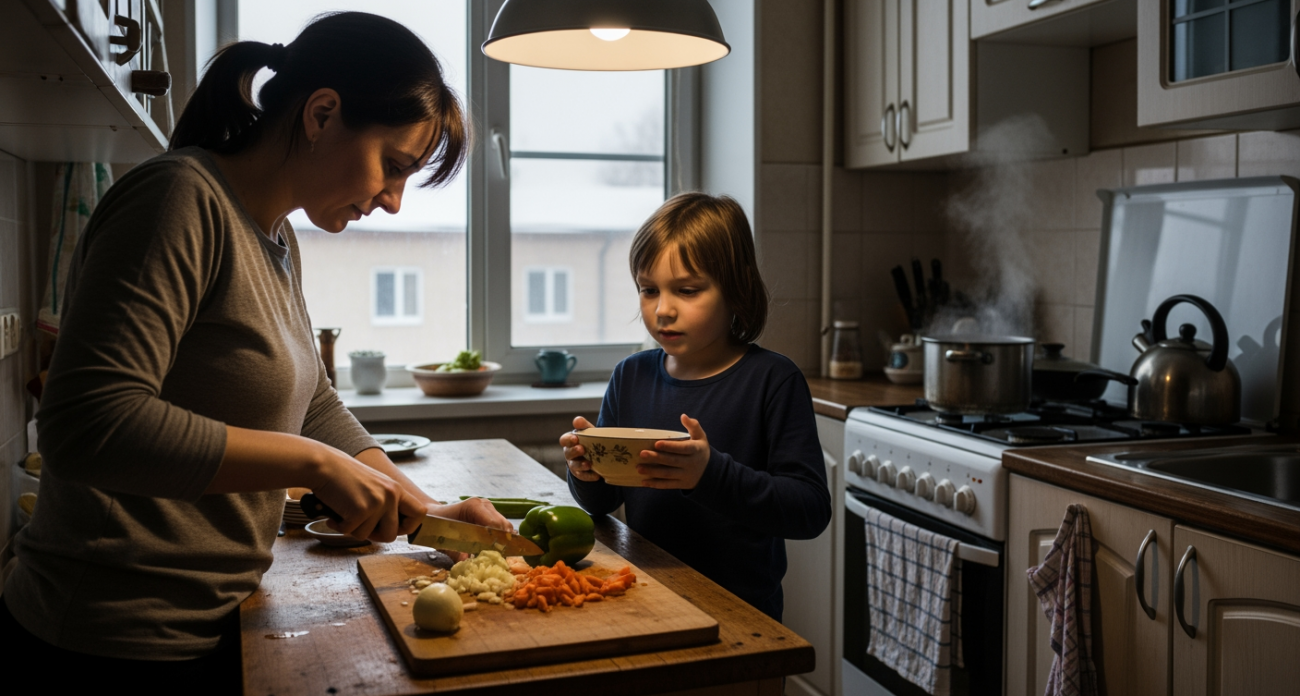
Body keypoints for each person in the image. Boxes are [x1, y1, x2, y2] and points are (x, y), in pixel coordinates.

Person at [1, 12, 507, 691]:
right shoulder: (178, 200)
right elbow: (87, 424)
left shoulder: (275, 239)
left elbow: (314, 402)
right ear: (322, 114)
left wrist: (428, 512)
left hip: (214, 618)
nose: (393, 202)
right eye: (394, 166)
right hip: (109, 639)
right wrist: (312, 464)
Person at [559, 193, 831, 621]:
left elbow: (810, 510)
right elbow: (602, 502)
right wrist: (585, 471)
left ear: (735, 290)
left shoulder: (773, 381)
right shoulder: (630, 377)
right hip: (646, 600)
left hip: (743, 614)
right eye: (649, 290)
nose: (662, 310)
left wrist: (710, 474)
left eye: (686, 291)